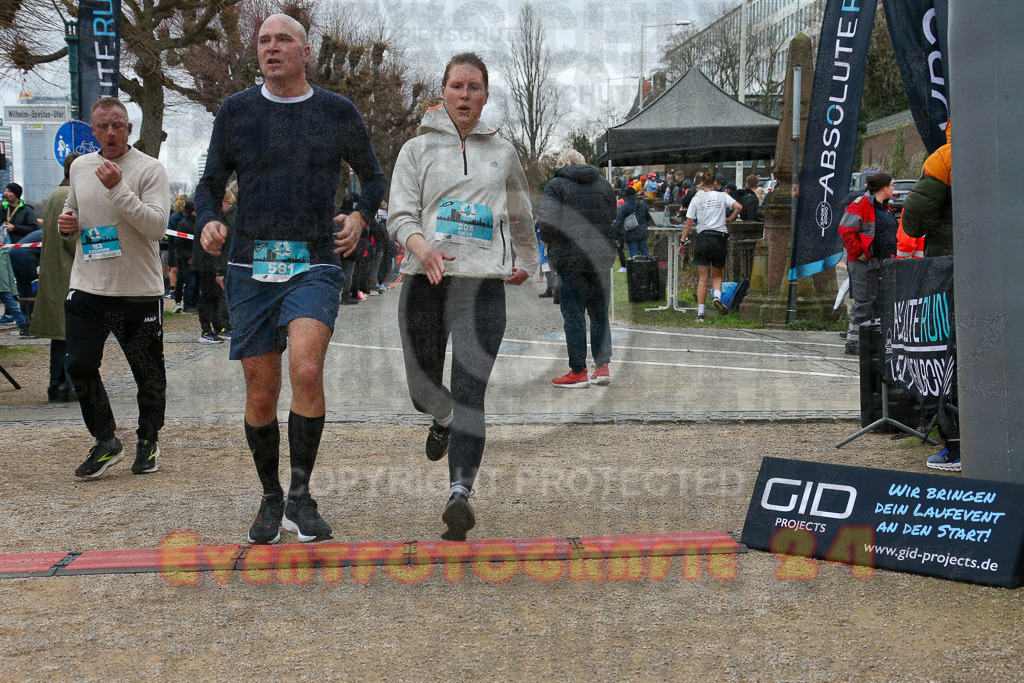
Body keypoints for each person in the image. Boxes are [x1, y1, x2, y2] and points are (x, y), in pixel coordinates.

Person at [194, 13, 387, 544]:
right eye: (263, 41)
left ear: (305, 52)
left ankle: (300, 496)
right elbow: (209, 183)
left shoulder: (336, 111)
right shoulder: (236, 111)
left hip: (314, 260)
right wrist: (208, 219)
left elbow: (373, 177)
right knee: (261, 392)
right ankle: (271, 496)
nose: (271, 47)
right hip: (250, 265)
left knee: (305, 367)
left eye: (283, 39)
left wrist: (360, 216)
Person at [388, 52, 538, 542]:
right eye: (457, 86)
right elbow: (400, 216)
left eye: (474, 87)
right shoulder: (416, 150)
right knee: (423, 390)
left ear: (486, 96)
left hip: (482, 285)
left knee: (471, 391)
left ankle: (459, 496)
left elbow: (520, 212)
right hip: (425, 281)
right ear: (444, 92)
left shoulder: (504, 152)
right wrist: (422, 248)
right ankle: (442, 419)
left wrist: (528, 261)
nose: (465, 95)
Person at [58, 96, 171, 478]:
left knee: (148, 375)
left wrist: (118, 188)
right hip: (88, 286)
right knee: (79, 364)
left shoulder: (150, 169)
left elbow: (156, 227)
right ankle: (106, 440)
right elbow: (74, 208)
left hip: (137, 291)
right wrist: (67, 224)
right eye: (103, 126)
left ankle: (148, 439)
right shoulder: (80, 167)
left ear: (129, 130)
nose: (110, 132)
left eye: (117, 126)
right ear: (93, 131)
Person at [901, 121, 959, 471]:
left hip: (953, 271)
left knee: (950, 356)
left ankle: (958, 445)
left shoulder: (946, 158)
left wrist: (945, 227)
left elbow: (914, 223)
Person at [538, 148, 617, 388]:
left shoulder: (556, 185)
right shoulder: (604, 185)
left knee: (573, 314)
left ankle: (578, 371)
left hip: (569, 256)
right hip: (600, 256)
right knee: (599, 312)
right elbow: (612, 215)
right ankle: (602, 367)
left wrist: (548, 241)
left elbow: (547, 222)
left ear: (562, 164)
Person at [30, 152, 81, 401]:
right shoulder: (72, 196)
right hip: (70, 273)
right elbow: (74, 240)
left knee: (60, 335)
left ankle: (56, 384)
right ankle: (70, 385)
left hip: (54, 272)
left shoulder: (54, 195)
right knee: (72, 332)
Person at [837, 172, 897, 355]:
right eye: (892, 185)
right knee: (863, 303)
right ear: (884, 187)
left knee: (877, 303)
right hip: (864, 262)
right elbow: (845, 230)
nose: (894, 188)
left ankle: (872, 342)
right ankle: (854, 343)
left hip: (881, 261)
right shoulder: (862, 203)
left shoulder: (885, 207)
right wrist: (859, 253)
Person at [679, 171, 742, 322]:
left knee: (703, 278)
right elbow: (739, 206)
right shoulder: (722, 196)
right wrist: (730, 218)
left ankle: (700, 314)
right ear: (715, 183)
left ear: (701, 183)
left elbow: (689, 222)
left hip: (703, 238)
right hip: (719, 238)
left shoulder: (697, 198)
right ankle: (717, 297)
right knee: (717, 275)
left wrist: (682, 242)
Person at [612, 186, 651, 258]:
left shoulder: (623, 207)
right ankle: (647, 265)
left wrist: (614, 236)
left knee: (634, 256)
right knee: (645, 253)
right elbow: (648, 217)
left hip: (630, 233)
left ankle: (635, 265)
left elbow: (618, 222)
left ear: (626, 195)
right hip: (642, 232)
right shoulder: (643, 205)